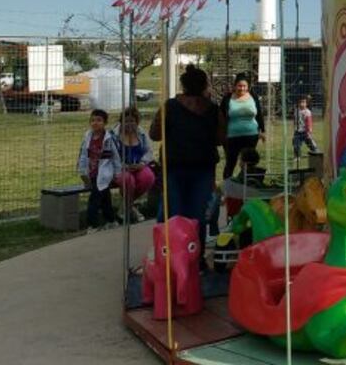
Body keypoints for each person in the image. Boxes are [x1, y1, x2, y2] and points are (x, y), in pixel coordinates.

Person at [150, 65, 223, 257]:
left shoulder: (170, 106)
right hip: (203, 168)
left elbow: (155, 134)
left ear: (183, 85)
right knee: (197, 216)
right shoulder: (213, 109)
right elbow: (221, 138)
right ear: (204, 85)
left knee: (173, 213)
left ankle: (171, 256)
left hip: (174, 167)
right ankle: (194, 258)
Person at [77, 109, 122, 232]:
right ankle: (111, 220)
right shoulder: (87, 137)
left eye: (99, 120)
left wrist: (117, 173)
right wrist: (82, 172)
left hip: (104, 174)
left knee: (94, 199)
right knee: (105, 199)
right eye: (92, 120)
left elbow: (115, 157)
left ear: (105, 122)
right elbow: (83, 155)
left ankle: (92, 225)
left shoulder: (109, 138)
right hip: (91, 174)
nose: (95, 123)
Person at [113, 106, 155, 222]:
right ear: (121, 121)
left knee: (148, 177)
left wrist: (142, 163)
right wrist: (123, 166)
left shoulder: (141, 133)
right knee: (128, 181)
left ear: (137, 122)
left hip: (138, 166)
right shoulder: (113, 136)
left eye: (132, 121)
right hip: (120, 168)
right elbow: (110, 156)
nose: (129, 124)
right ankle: (131, 208)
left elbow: (149, 151)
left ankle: (125, 206)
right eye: (126, 121)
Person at [220, 73, 265, 178]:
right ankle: (227, 186)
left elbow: (259, 114)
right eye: (239, 86)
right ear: (235, 86)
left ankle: (247, 185)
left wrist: (262, 130)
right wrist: (221, 133)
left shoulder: (253, 96)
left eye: (244, 86)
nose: (242, 88)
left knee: (249, 163)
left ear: (248, 87)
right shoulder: (227, 98)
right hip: (232, 137)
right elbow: (221, 116)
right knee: (231, 163)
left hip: (251, 135)